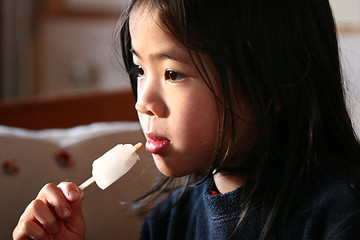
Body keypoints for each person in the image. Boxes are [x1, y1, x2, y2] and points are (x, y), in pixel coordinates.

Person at [13, 0, 360, 239]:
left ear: (274, 86)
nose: (142, 102)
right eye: (140, 70)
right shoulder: (169, 225)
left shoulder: (341, 217)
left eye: (172, 73)